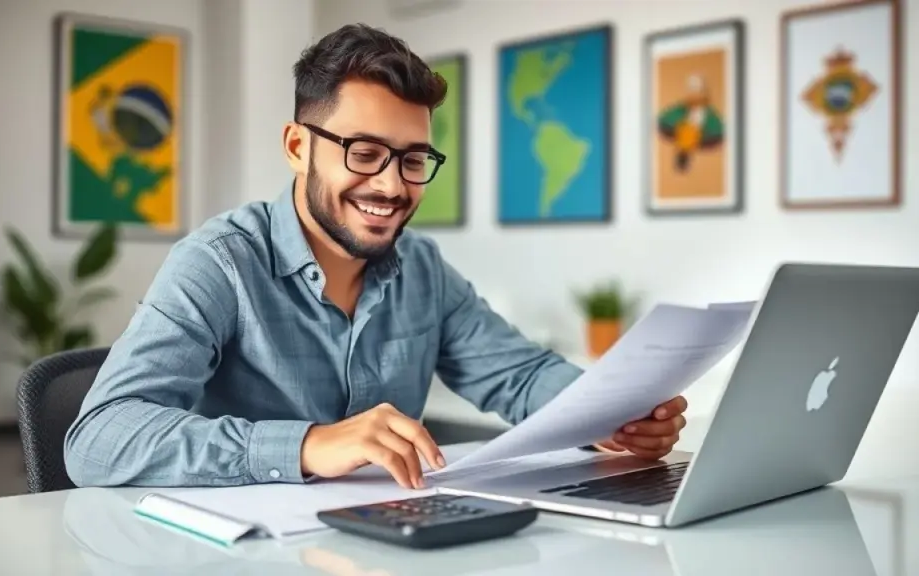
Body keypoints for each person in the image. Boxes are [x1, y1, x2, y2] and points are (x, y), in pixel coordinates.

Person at [63, 23, 689, 490]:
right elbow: (98, 439)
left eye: (413, 159)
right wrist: (307, 445)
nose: (392, 185)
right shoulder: (218, 263)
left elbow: (520, 377)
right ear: (296, 146)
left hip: (384, 544)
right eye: (363, 152)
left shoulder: (423, 269)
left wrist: (610, 414)